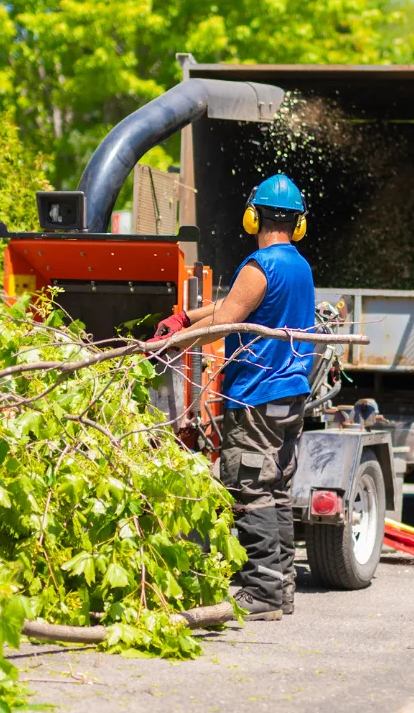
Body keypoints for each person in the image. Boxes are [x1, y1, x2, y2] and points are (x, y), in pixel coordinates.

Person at [154, 174, 316, 620]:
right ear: (296, 224)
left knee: (249, 487)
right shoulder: (298, 266)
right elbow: (235, 306)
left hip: (256, 396)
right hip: (290, 394)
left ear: (253, 216)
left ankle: (260, 593)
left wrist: (168, 345)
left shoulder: (259, 266)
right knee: (276, 488)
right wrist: (185, 315)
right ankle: (280, 590)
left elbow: (223, 323)